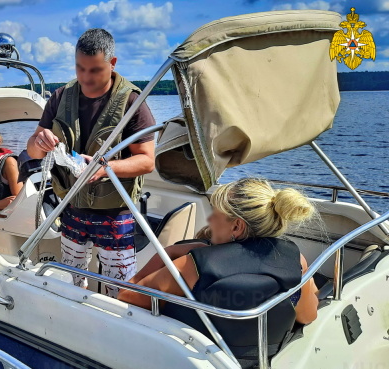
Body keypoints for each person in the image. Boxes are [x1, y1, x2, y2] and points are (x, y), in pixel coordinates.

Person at [119, 178, 318, 367]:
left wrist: (171, 251)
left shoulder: (193, 265)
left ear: (237, 226)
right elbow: (308, 316)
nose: (210, 218)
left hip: (190, 360)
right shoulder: (295, 261)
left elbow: (127, 296)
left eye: (215, 212)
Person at [26, 28, 156, 297]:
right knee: (74, 281)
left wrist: (106, 167)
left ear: (113, 63)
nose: (86, 78)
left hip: (115, 213)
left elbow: (146, 161)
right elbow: (33, 150)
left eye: (95, 70)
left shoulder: (133, 102)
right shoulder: (61, 97)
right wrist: (39, 141)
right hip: (71, 207)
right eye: (80, 68)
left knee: (119, 290)